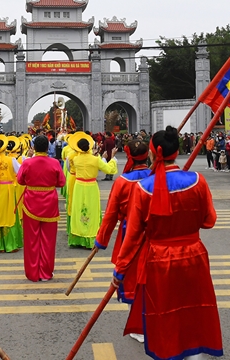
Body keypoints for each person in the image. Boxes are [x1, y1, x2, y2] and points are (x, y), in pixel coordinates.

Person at [112, 127, 222, 358]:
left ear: (154, 153)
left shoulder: (143, 189)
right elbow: (209, 220)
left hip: (159, 259)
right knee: (194, 308)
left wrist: (120, 269)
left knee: (164, 314)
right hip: (194, 256)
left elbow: (132, 236)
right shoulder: (197, 181)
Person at [96, 140, 152, 342]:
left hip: (131, 233)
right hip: (156, 234)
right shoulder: (156, 178)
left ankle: (138, 325)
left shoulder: (123, 181)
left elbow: (110, 214)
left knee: (131, 278)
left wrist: (101, 240)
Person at [16, 135, 66, 281]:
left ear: (34, 147)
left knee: (31, 239)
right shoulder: (55, 162)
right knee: (48, 240)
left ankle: (32, 273)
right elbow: (61, 182)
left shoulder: (28, 163)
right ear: (47, 148)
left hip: (31, 202)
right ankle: (45, 273)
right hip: (49, 202)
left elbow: (20, 180)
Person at [68, 132, 118, 248]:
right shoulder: (95, 160)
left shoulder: (75, 159)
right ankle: (90, 237)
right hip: (91, 186)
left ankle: (78, 237)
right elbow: (109, 169)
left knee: (78, 210)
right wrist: (112, 158)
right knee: (92, 211)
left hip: (79, 185)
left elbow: (71, 169)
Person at [0, 134, 23, 252]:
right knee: (8, 214)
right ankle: (10, 244)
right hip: (7, 188)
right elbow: (20, 172)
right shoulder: (11, 160)